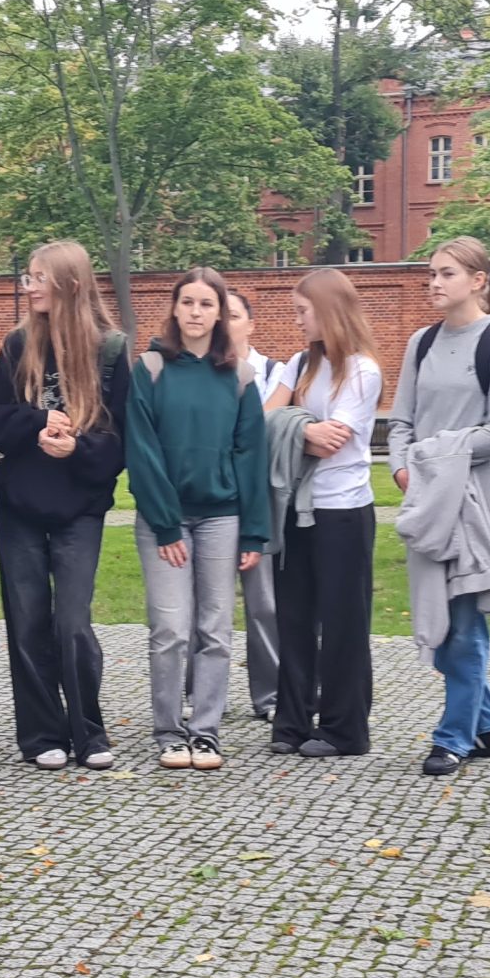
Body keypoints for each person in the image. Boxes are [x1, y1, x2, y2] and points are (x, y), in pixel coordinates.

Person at [0, 241, 130, 771]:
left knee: (71, 623)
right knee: (27, 623)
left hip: (79, 510)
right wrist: (37, 421)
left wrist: (78, 448)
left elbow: (120, 443)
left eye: (39, 277)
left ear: (70, 283)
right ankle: (42, 734)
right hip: (19, 506)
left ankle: (88, 731)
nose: (29, 287)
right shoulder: (16, 345)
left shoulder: (111, 351)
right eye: (28, 277)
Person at [125, 267, 270, 770]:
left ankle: (205, 732)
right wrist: (165, 522)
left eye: (206, 304)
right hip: (164, 521)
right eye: (187, 301)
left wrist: (254, 531)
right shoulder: (150, 369)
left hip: (221, 518)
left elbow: (251, 455)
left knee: (215, 628)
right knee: (170, 628)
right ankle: (169, 731)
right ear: (174, 307)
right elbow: (141, 449)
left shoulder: (239, 376)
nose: (195, 312)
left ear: (220, 313)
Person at [390, 238, 490, 776]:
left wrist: (440, 455)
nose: (434, 282)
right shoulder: (421, 342)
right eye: (432, 273)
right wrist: (403, 467)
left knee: (465, 623)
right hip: (427, 497)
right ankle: (489, 725)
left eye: (447, 273)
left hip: (479, 497)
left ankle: (453, 739)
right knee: (438, 619)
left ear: (478, 280)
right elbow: (400, 421)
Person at [263, 268, 382, 757]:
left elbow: (333, 442)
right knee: (293, 618)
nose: (297, 321)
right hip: (296, 507)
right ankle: (292, 721)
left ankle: (344, 729)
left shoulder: (362, 371)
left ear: (329, 311)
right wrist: (305, 430)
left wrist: (296, 429)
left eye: (303, 311)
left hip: (343, 511)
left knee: (342, 623)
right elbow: (261, 420)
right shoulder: (299, 364)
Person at [224, 289, 282, 722]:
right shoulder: (202, 373)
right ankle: (199, 692)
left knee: (264, 603)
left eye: (232, 315)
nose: (224, 323)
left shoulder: (275, 373)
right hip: (215, 498)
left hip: (261, 499)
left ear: (251, 323)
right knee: (207, 605)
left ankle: (271, 695)